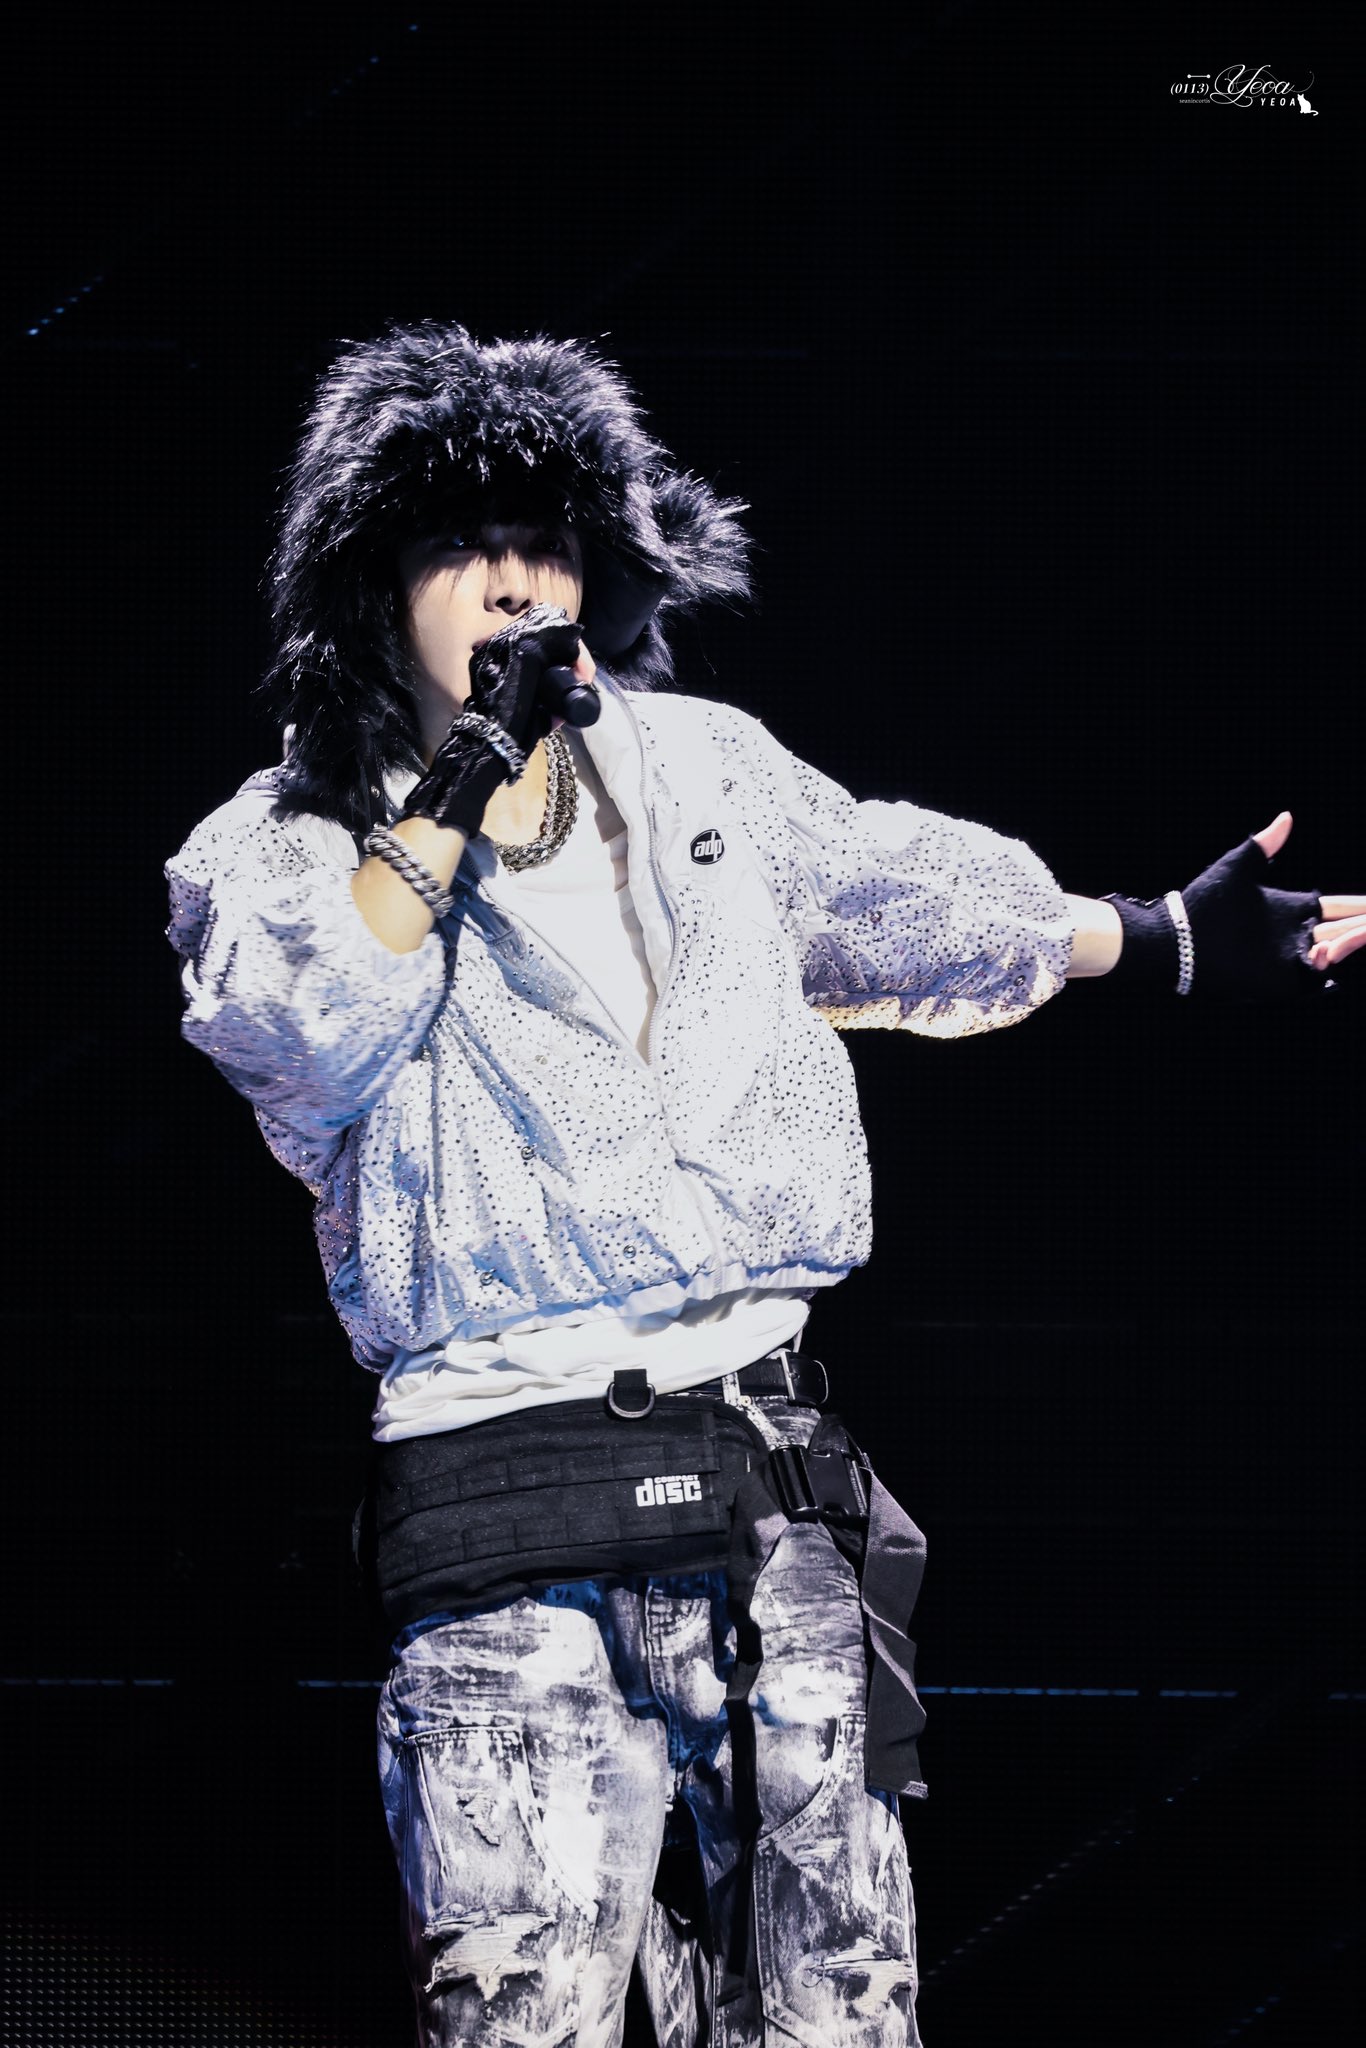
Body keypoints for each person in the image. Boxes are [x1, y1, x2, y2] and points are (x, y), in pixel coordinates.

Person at [164, 321, 1362, 2048]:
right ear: (371, 583)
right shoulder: (287, 840)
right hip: (502, 1503)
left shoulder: (700, 768)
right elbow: (298, 1025)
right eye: (458, 547)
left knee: (839, 2014)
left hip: (766, 1483)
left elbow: (895, 896)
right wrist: (471, 766)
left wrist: (1157, 935)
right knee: (521, 2015)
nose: (513, 583)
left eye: (544, 543)